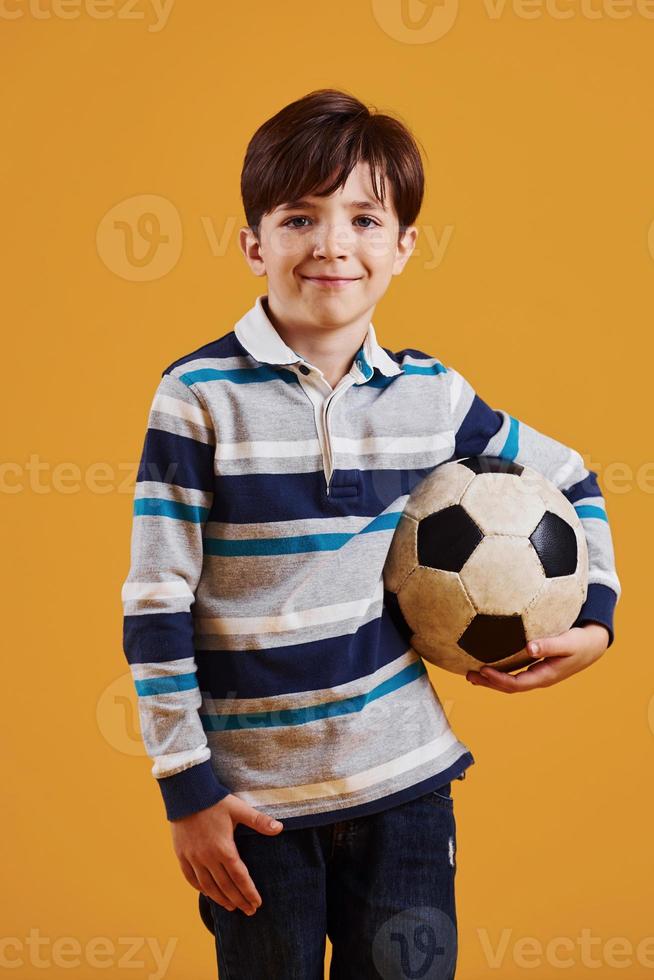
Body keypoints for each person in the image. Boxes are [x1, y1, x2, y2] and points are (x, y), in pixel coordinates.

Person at [120, 88, 621, 979]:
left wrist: (597, 620)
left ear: (403, 246)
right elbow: (155, 605)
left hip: (407, 792)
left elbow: (573, 475)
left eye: (362, 217)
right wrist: (186, 789)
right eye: (299, 217)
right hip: (254, 809)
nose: (332, 244)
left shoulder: (432, 395)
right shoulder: (197, 399)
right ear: (254, 243)